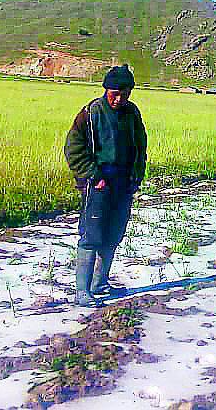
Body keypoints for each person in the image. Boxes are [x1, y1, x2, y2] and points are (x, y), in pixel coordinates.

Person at [64, 64, 147, 306]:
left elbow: (141, 148)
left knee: (114, 233)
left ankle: (100, 282)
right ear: (105, 90)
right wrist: (93, 175)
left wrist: (136, 176)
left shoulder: (132, 113)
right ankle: (82, 292)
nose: (119, 99)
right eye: (114, 94)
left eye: (125, 93)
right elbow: (73, 148)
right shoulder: (91, 112)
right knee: (92, 235)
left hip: (123, 183)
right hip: (98, 183)